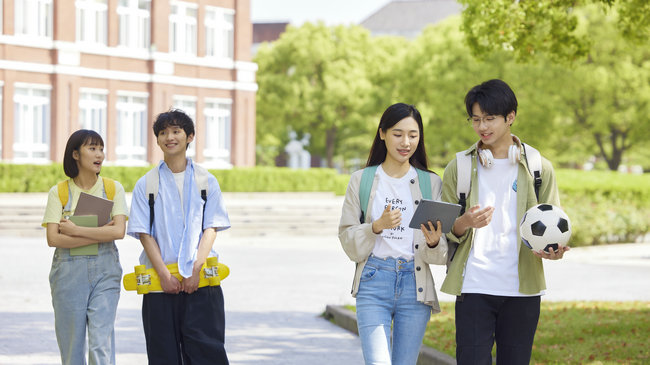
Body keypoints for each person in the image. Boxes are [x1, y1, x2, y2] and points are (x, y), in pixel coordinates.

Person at [440, 79, 570, 364]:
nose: (482, 127)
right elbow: (445, 230)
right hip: (474, 285)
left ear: (510, 117)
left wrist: (554, 251)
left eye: (489, 119)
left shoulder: (538, 167)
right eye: (475, 120)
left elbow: (553, 222)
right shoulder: (459, 166)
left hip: (521, 289)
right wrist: (465, 221)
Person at [339, 103, 448, 365]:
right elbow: (347, 239)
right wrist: (376, 226)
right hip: (374, 280)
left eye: (413, 135)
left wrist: (434, 243)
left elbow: (442, 252)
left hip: (415, 284)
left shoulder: (430, 183)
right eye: (398, 134)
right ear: (382, 134)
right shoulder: (362, 179)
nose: (406, 142)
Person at [127, 109, 230, 364]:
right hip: (159, 286)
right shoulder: (146, 184)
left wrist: (196, 269)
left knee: (208, 355)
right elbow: (144, 233)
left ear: (189, 136)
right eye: (163, 132)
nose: (169, 137)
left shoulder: (206, 180)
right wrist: (164, 274)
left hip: (202, 284)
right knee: (163, 357)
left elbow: (211, 228)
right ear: (158, 139)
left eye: (176, 131)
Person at [42, 129, 128, 365]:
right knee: (72, 351)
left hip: (106, 273)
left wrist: (75, 230)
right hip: (68, 276)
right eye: (92, 148)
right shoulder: (58, 193)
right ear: (75, 155)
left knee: (101, 344)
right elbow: (53, 239)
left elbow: (118, 231)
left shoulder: (112, 189)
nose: (99, 154)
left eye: (101, 148)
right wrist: (101, 233)